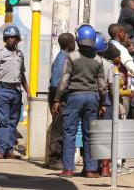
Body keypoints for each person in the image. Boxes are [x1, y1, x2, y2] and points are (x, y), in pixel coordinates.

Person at [52, 24, 107, 178]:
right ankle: (90, 169)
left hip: (74, 97)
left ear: (78, 40)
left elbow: (64, 81)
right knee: (89, 134)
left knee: (69, 132)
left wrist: (57, 99)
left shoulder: (72, 57)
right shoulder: (98, 60)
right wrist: (102, 103)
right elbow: (102, 86)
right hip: (92, 98)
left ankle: (69, 169)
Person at [0, 24, 30, 159]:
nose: (11, 40)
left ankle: (9, 150)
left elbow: (22, 75)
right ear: (5, 39)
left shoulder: (20, 55)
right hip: (3, 90)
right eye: (8, 37)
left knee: (13, 122)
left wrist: (28, 91)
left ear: (17, 39)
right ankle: (0, 149)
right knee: (3, 121)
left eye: (13, 37)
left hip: (16, 91)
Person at [47, 32, 76, 170]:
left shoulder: (67, 58)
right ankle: (54, 160)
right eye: (73, 41)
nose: (75, 43)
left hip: (62, 99)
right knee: (58, 129)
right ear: (69, 44)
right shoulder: (61, 60)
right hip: (59, 99)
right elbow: (55, 84)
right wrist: (57, 100)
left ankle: (62, 159)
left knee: (64, 129)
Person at [94, 31, 116, 177]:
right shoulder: (108, 65)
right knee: (106, 134)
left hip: (91, 101)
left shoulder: (83, 61)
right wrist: (115, 104)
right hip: (106, 102)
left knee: (91, 134)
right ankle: (105, 167)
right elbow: (112, 87)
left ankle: (91, 166)